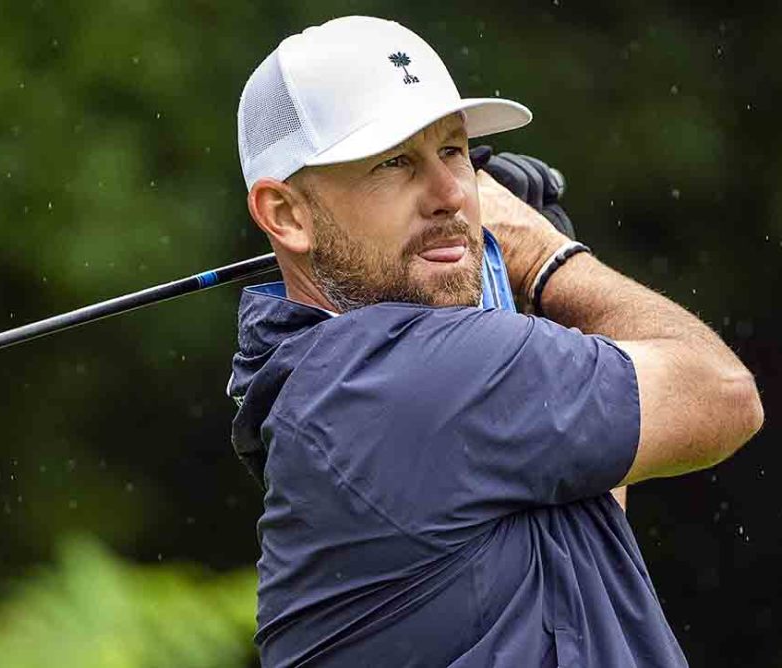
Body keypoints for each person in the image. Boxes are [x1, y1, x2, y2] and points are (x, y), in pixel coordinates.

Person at [227, 16, 763, 667]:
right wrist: (546, 257)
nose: (453, 194)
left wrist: (535, 307)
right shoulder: (404, 376)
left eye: (453, 151)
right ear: (287, 214)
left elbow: (592, 481)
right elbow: (724, 394)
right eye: (395, 162)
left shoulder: (337, 387)